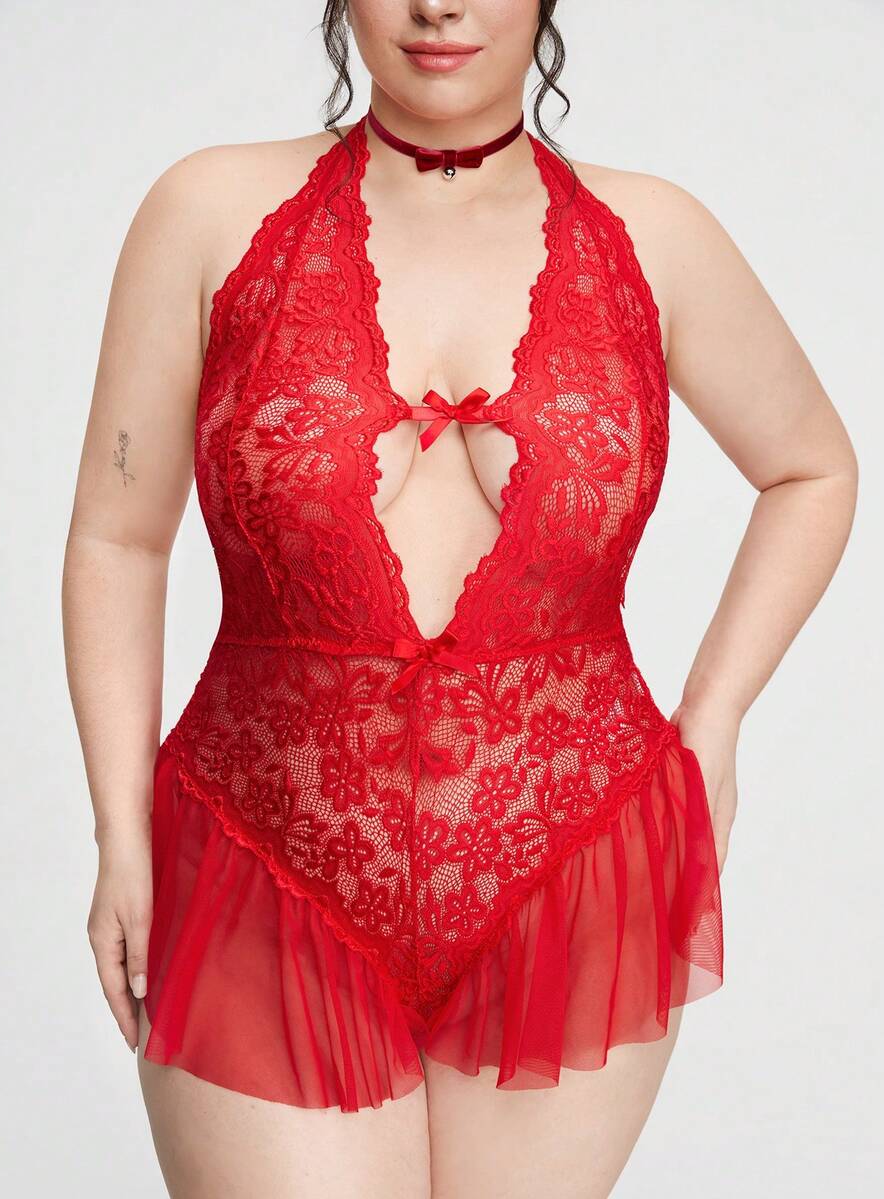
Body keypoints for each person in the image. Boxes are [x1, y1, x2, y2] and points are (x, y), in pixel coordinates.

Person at [61, 2, 858, 1197]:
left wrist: (715, 719)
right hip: (257, 855)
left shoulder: (659, 236)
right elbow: (119, 538)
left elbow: (813, 468)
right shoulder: (205, 213)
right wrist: (119, 830)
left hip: (574, 871)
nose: (439, 5)